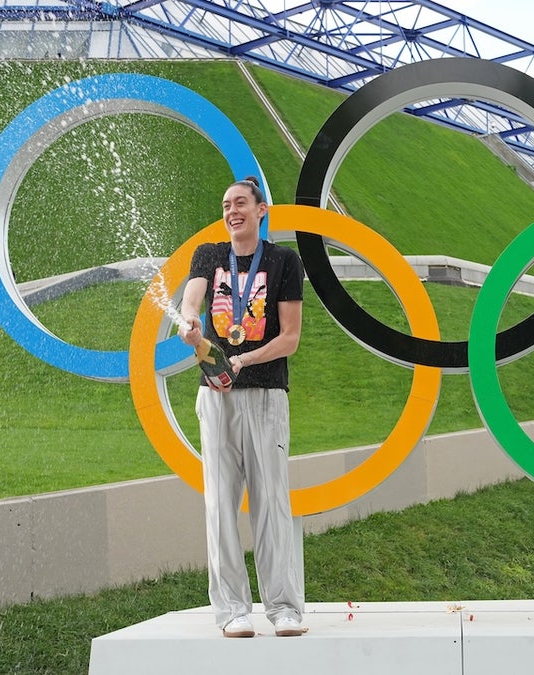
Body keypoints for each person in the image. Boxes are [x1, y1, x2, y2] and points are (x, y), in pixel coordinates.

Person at [177, 176, 306, 638]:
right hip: (216, 398)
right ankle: (232, 610)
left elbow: (289, 337)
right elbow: (192, 301)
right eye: (226, 204)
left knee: (271, 501)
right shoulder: (209, 255)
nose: (233, 211)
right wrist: (190, 325)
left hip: (267, 395)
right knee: (220, 504)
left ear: (261, 210)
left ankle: (285, 607)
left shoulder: (284, 262)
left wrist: (244, 358)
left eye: (241, 203)